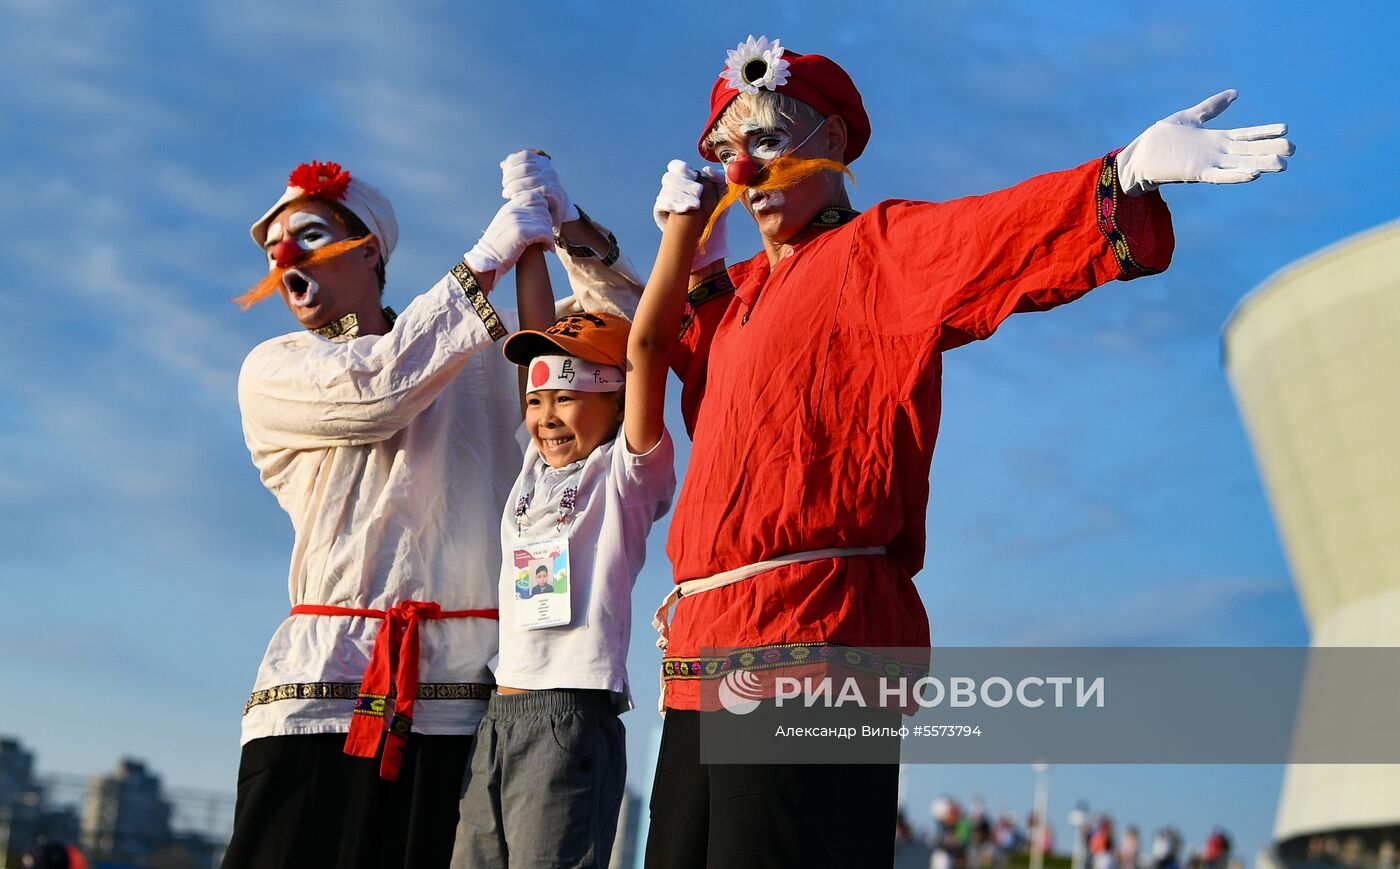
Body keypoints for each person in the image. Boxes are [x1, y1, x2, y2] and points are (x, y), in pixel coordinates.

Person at [644, 34, 1293, 869]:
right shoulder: (733, 297)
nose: (742, 172)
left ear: (832, 144)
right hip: (702, 651)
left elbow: (993, 235)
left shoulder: (878, 252)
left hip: (811, 640)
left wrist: (1120, 172)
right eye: (728, 152)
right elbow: (658, 372)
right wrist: (671, 251)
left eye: (766, 141)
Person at [223, 156, 642, 869]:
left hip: (468, 703)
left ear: (369, 249)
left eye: (309, 235)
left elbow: (627, 331)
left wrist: (571, 229)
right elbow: (378, 386)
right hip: (322, 695)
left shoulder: (488, 347)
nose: (283, 257)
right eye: (272, 249)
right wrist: (487, 258)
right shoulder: (275, 367)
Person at [451, 163, 710, 869]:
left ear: (612, 399)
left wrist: (682, 231)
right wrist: (530, 220)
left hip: (572, 717)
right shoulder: (536, 467)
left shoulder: (625, 471)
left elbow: (650, 347)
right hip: (500, 714)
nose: (545, 417)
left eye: (565, 399)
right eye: (536, 403)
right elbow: (537, 339)